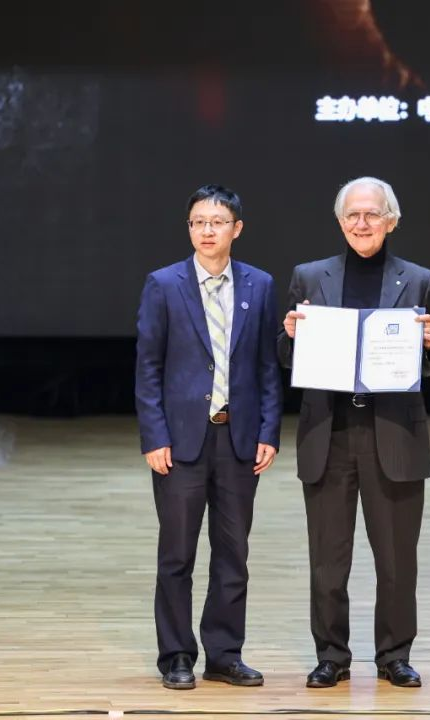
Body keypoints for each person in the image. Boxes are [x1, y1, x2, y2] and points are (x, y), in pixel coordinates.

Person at [277, 176, 430, 689]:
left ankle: (394, 656)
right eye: (352, 214)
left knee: (396, 560)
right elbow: (286, 359)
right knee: (328, 561)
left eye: (372, 214)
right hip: (329, 433)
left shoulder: (418, 280)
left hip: (392, 433)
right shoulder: (309, 277)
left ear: (391, 221)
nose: (361, 223)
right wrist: (290, 337)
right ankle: (332, 656)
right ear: (339, 221)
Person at [136, 184, 283, 690]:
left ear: (236, 229)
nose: (206, 230)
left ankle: (224, 654)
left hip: (238, 439)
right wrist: (154, 436)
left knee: (233, 555)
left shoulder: (260, 285)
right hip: (180, 443)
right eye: (198, 222)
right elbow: (148, 367)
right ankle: (176, 655)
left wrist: (269, 430)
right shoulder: (164, 284)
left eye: (217, 222)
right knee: (177, 555)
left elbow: (267, 365)